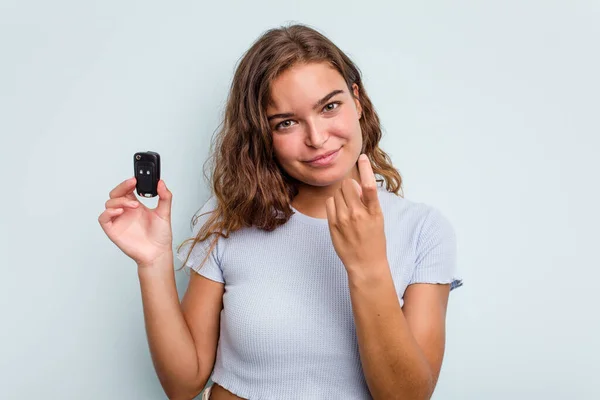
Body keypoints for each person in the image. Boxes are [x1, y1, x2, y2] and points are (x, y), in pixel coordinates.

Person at [99, 23, 462, 400]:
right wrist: (153, 262)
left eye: (330, 106)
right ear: (261, 134)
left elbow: (406, 396)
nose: (317, 138)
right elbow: (182, 383)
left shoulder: (423, 230)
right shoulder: (228, 218)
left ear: (357, 100)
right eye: (286, 123)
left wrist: (368, 265)